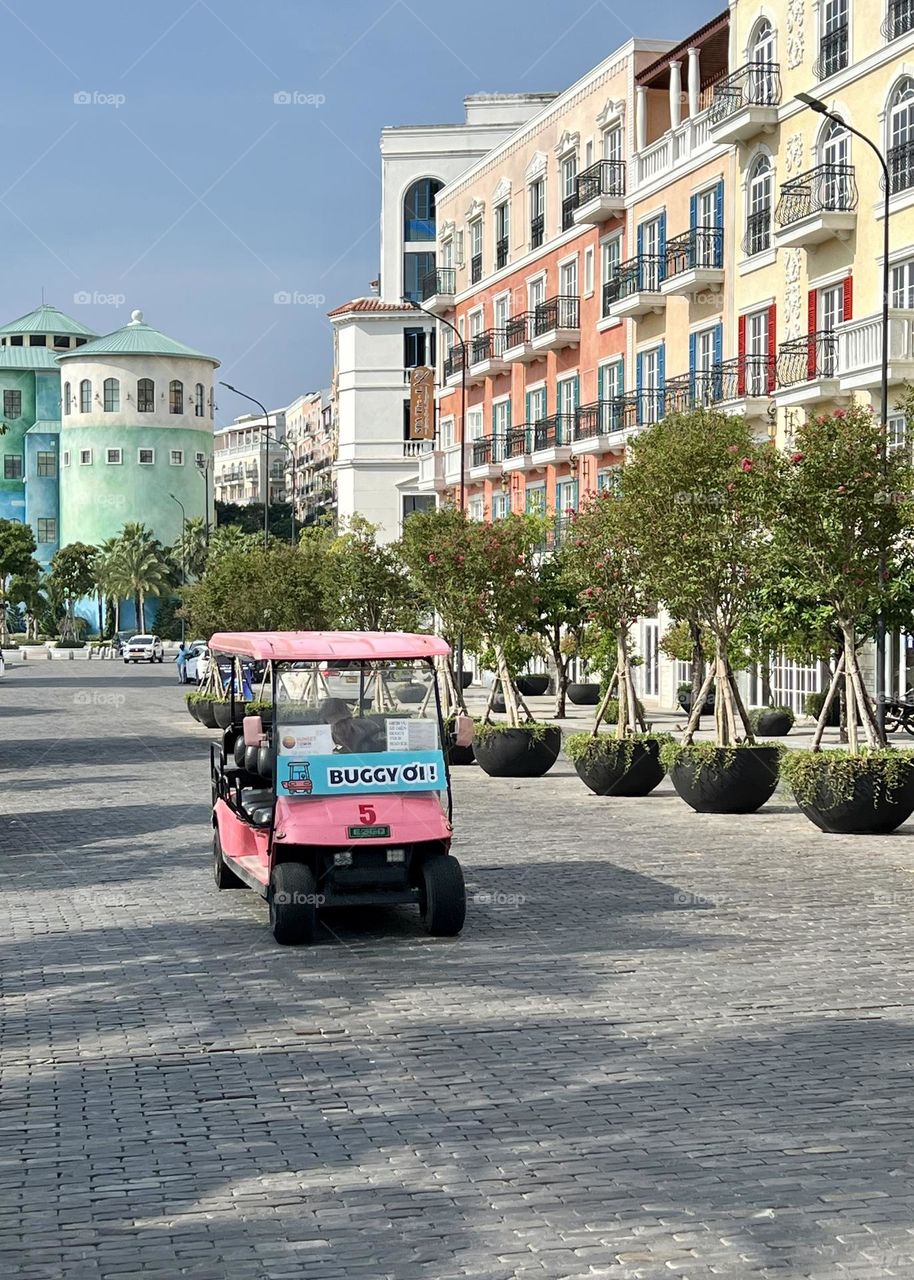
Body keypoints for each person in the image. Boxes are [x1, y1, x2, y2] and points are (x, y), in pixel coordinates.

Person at [318, 697, 386, 753]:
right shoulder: (318, 744)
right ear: (326, 725)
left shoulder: (370, 729)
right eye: (337, 724)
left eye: (345, 721)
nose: (343, 727)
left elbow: (385, 751)